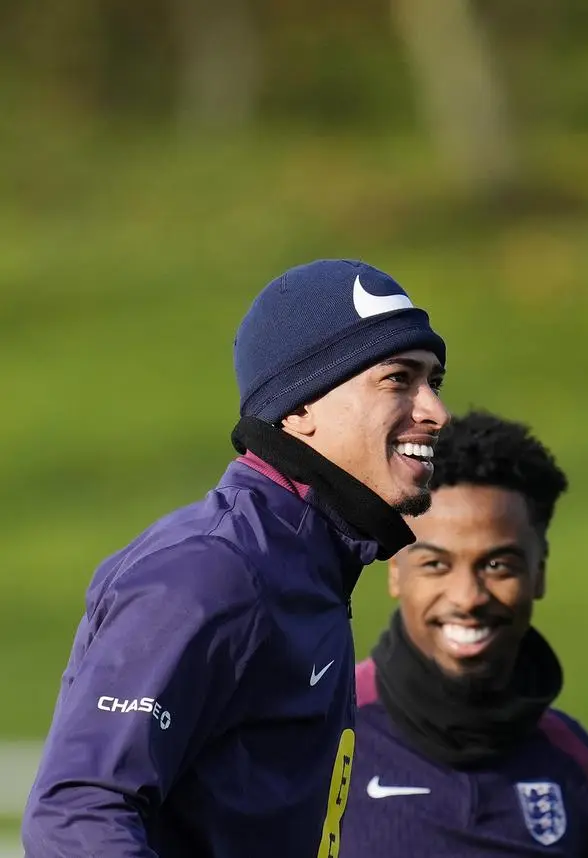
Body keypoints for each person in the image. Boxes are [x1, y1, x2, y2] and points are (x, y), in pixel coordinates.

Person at [21, 258, 450, 858]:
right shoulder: (209, 571)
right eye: (398, 379)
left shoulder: (314, 566)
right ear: (300, 407)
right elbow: (79, 816)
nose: (435, 411)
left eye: (435, 381)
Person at [342, 410, 588, 857]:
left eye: (498, 565)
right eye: (436, 563)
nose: (468, 597)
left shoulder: (583, 771)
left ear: (539, 573)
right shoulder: (320, 738)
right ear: (395, 571)